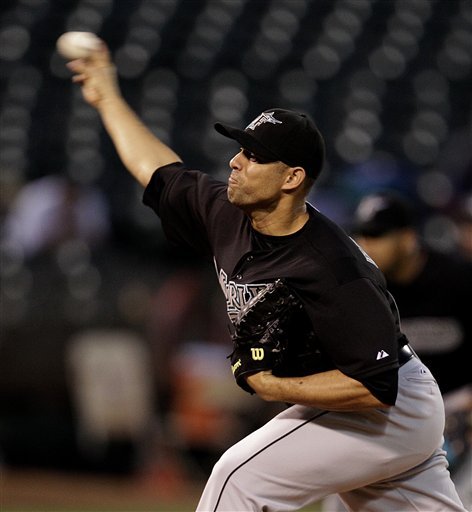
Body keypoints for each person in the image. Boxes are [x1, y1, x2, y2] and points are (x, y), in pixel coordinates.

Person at [67, 43, 467, 512]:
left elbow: (376, 386)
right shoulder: (225, 212)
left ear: (291, 178)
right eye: (241, 149)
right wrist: (107, 97)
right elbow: (154, 169)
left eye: (255, 156)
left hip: (387, 407)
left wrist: (274, 387)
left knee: (237, 477)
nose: (235, 162)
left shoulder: (332, 266)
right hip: (382, 406)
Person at [353, 191, 472, 506]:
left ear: (407, 239)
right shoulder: (364, 291)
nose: (367, 246)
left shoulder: (458, 280)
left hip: (459, 408)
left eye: (378, 236)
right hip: (396, 413)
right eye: (363, 235)